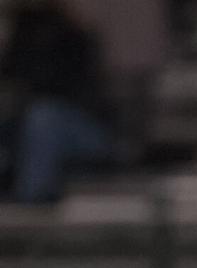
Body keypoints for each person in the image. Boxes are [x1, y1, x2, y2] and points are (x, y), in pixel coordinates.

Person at [0, 0, 117, 203]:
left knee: (43, 117)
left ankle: (31, 200)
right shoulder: (21, 34)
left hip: (84, 130)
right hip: (29, 125)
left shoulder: (74, 34)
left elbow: (57, 88)